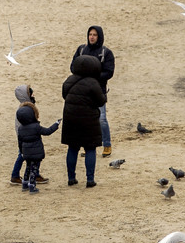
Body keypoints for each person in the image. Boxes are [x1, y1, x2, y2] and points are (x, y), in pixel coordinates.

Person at [61, 54, 106, 187]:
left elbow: (64, 95)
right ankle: (90, 179)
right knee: (90, 148)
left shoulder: (69, 80)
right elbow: (101, 101)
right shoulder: (93, 83)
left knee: (72, 148)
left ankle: (71, 177)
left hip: (70, 119)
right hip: (89, 120)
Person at [72, 26, 115, 157]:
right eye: (90, 34)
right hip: (83, 91)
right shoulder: (81, 50)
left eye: (95, 35)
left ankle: (106, 145)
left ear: (99, 36)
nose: (92, 37)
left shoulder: (106, 53)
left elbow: (109, 72)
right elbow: (73, 66)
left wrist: (91, 76)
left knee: (101, 119)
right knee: (86, 120)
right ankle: (88, 146)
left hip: (99, 91)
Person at [16, 101, 60, 193]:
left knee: (28, 167)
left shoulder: (20, 128)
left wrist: (22, 151)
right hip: (36, 152)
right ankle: (32, 186)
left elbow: (19, 141)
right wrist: (56, 124)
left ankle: (25, 184)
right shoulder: (36, 127)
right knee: (34, 169)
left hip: (26, 152)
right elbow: (47, 131)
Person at [9, 85, 48, 186]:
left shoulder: (27, 107)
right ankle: (15, 176)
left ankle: (33, 174)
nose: (33, 95)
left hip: (28, 136)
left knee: (32, 155)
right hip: (27, 137)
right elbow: (20, 127)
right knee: (23, 156)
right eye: (31, 93)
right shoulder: (25, 109)